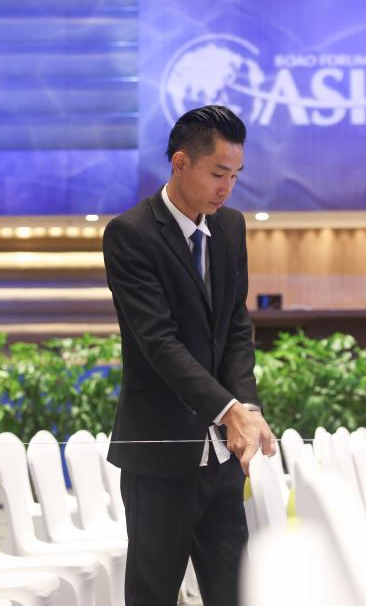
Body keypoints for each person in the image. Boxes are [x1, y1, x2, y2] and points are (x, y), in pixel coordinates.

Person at [102, 104, 276, 606]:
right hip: (159, 458)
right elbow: (158, 342)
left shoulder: (230, 228)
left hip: (222, 460)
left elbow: (236, 328)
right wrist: (228, 409)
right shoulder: (131, 234)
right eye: (218, 174)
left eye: (236, 176)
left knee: (235, 594)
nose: (228, 188)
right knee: (154, 594)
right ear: (181, 163)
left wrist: (247, 408)